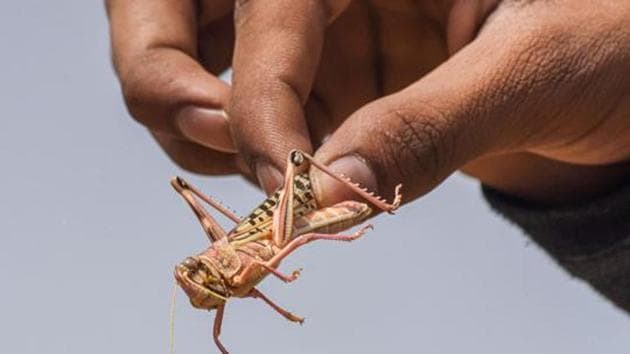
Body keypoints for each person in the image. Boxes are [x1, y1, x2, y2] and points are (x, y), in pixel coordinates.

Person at [106, 1, 630, 311]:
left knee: (299, 190)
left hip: (270, 220)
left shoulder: (231, 264)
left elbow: (274, 255)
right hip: (584, 180)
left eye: (199, 282)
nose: (205, 292)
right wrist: (562, 173)